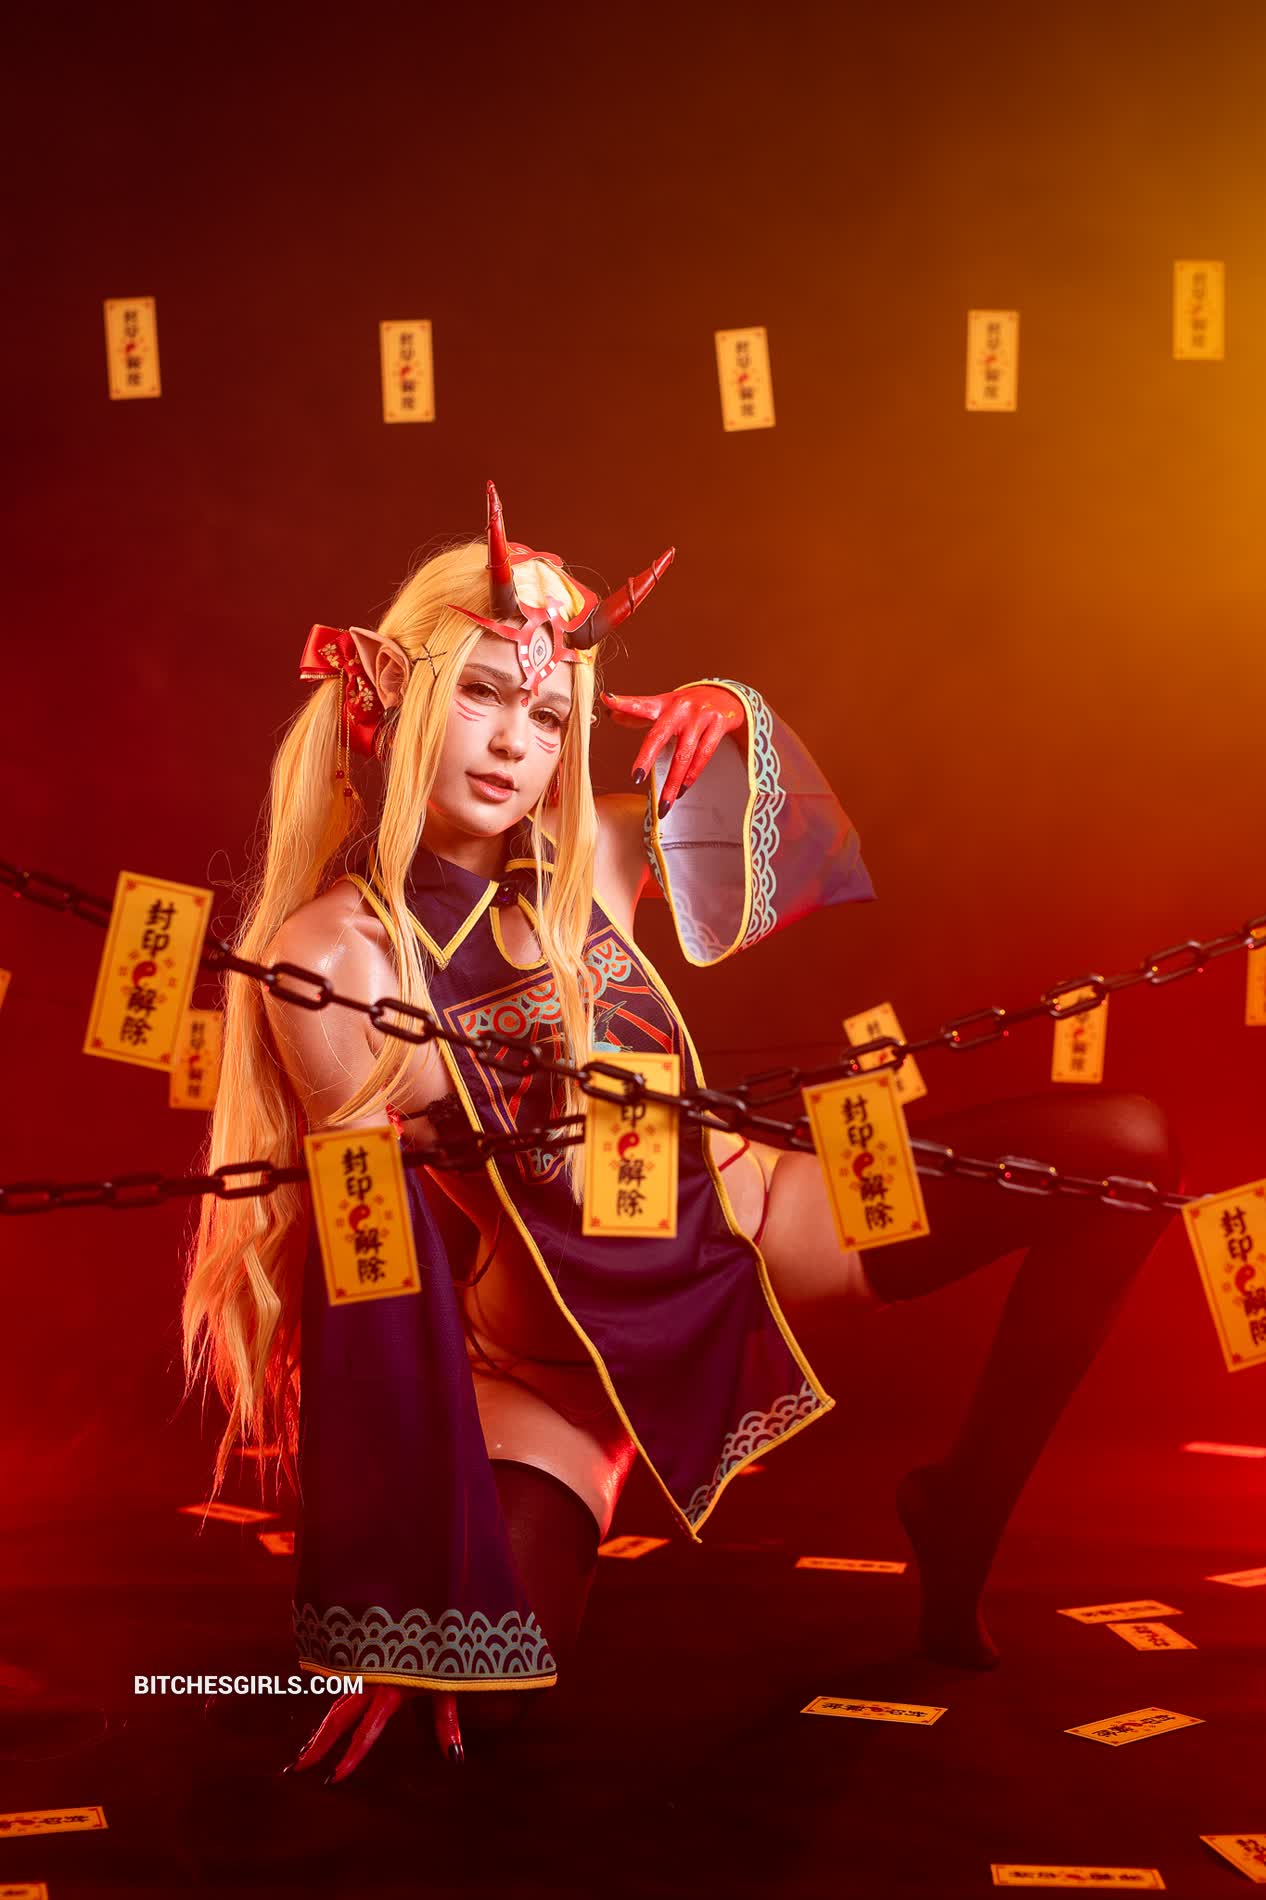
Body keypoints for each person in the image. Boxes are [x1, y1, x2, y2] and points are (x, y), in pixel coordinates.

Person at [182, 483, 1183, 1784]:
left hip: (769, 1232)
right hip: (555, 1373)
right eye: (481, 694)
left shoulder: (595, 856)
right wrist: (390, 1600)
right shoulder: (334, 959)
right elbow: (374, 1273)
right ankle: (567, 1496)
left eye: (549, 715)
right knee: (474, 1704)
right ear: (395, 695)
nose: (513, 744)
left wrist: (731, 717)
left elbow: (805, 856)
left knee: (1124, 1149)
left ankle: (961, 1509)